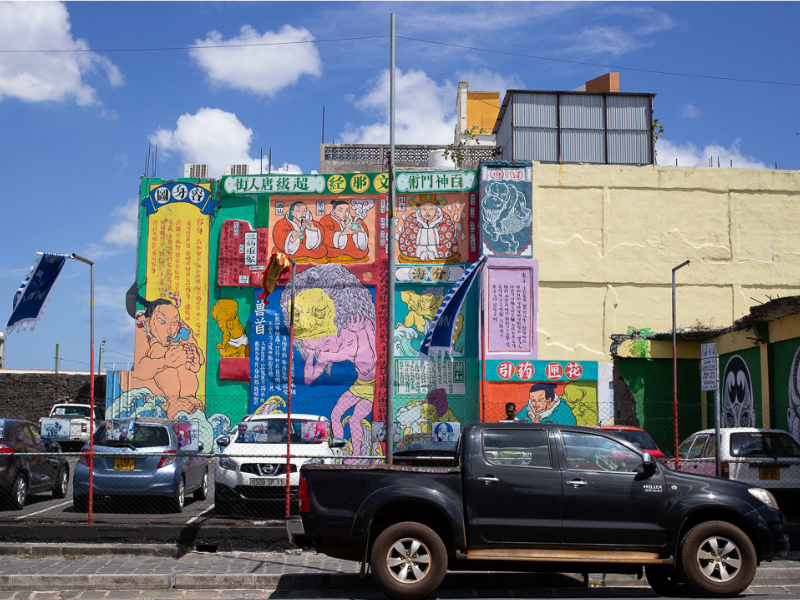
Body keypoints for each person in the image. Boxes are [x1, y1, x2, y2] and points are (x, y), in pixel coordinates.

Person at [124, 294, 205, 419]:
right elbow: (139, 370)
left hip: (184, 399)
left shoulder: (182, 330)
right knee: (160, 351)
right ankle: (173, 401)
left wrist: (193, 356)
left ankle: (186, 397)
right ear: (149, 321)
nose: (169, 330)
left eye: (174, 322)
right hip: (155, 398)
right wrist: (165, 361)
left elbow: (199, 358)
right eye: (162, 321)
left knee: (178, 353)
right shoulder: (142, 328)